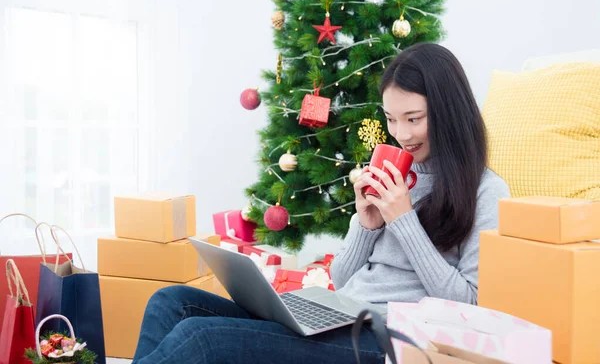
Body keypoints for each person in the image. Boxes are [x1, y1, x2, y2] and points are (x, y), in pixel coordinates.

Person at [131, 43, 510, 364]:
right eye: (392, 119)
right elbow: (343, 279)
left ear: (448, 112)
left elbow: (471, 306)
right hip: (340, 317)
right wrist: (367, 225)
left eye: (414, 118)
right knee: (171, 302)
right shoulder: (396, 174)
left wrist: (403, 220)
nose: (402, 134)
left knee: (203, 339)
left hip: (386, 341)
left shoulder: (486, 192)